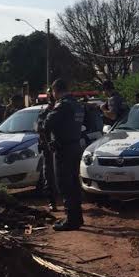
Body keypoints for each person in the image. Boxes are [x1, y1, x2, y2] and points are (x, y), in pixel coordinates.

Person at [44, 78, 85, 231]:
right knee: (74, 183)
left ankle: (71, 220)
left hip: (63, 148)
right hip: (75, 146)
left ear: (55, 91)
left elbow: (46, 124)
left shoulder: (62, 105)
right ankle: (77, 217)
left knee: (65, 184)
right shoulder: (77, 104)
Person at [37, 89, 58, 211]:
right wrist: (46, 143)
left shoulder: (62, 110)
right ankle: (52, 201)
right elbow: (40, 129)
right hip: (48, 147)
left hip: (61, 147)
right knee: (48, 175)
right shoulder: (44, 112)